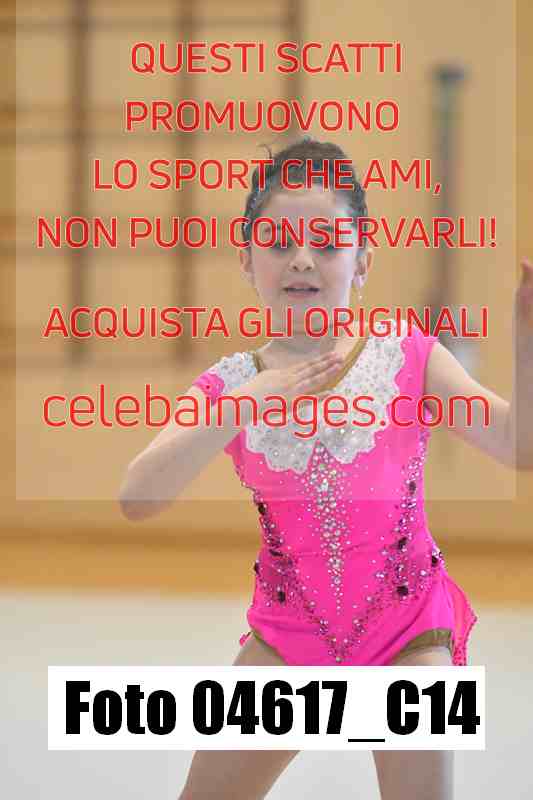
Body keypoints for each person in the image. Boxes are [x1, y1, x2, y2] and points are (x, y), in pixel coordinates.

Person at [119, 136, 533, 800]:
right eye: (279, 242)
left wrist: (527, 346)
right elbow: (137, 496)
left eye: (327, 243)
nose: (302, 260)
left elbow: (518, 445)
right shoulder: (231, 384)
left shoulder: (408, 358)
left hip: (408, 632)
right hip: (289, 635)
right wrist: (240, 405)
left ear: (362, 258)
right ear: (246, 258)